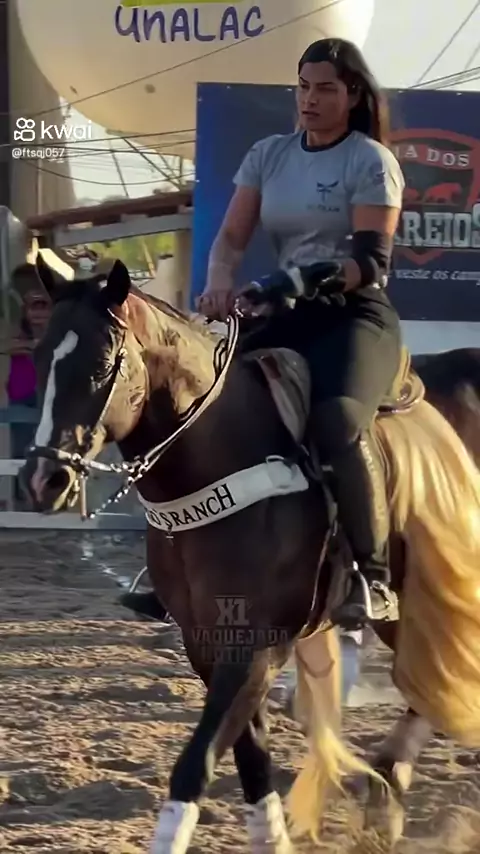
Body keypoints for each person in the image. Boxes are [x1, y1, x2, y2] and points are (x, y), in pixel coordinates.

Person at [198, 38, 405, 629]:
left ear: (353, 95)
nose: (309, 100)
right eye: (303, 87)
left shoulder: (370, 160)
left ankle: (374, 578)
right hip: (284, 312)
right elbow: (230, 239)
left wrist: (293, 279)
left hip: (353, 314)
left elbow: (371, 264)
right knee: (202, 411)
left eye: (325, 89)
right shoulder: (268, 154)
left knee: (336, 421)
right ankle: (176, 562)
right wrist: (219, 281)